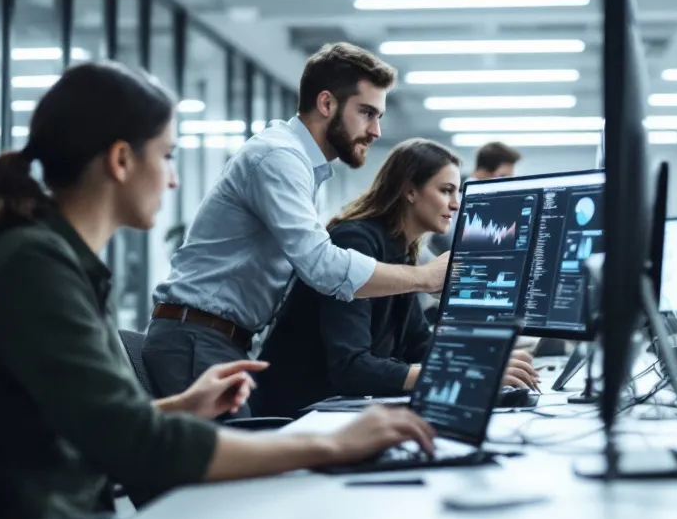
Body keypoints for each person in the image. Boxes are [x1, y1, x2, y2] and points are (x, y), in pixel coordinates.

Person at [0, 61, 436, 519]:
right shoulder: (36, 268)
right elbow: (134, 444)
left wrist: (179, 406)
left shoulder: (54, 262)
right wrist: (334, 443)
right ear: (121, 160)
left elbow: (90, 427)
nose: (173, 177)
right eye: (166, 155)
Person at [145, 43, 451, 412]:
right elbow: (322, 266)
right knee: (234, 465)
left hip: (217, 338)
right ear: (326, 104)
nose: (376, 131)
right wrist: (424, 278)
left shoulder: (305, 168)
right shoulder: (279, 157)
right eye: (367, 113)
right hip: (196, 338)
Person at [253, 139, 541, 417]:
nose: (456, 204)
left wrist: (483, 360)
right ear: (410, 191)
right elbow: (351, 368)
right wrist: (465, 372)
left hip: (333, 410)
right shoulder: (356, 241)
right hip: (297, 415)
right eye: (446, 190)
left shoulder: (398, 249)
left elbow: (418, 342)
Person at [425, 141, 522, 258]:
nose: (507, 183)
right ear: (482, 172)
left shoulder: (492, 200)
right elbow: (450, 242)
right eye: (503, 176)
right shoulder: (457, 200)